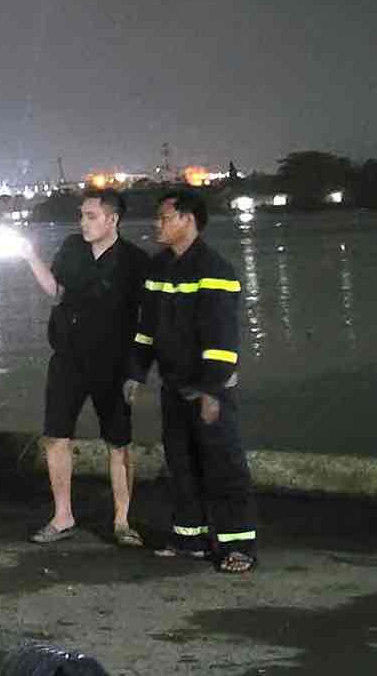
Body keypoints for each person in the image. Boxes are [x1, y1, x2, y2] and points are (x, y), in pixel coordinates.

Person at [130, 189, 258, 572]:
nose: (158, 224)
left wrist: (211, 391)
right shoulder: (158, 270)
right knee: (181, 463)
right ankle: (191, 538)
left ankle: (239, 545)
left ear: (188, 220)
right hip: (173, 386)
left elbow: (221, 341)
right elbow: (146, 330)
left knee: (222, 464)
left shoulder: (215, 270)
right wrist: (136, 373)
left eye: (164, 218)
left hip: (208, 388)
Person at [15, 187, 149, 546]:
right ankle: (63, 517)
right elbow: (56, 292)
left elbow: (146, 319)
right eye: (82, 216)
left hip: (114, 363)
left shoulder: (135, 261)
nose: (83, 222)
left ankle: (122, 521)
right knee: (56, 436)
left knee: (118, 442)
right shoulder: (72, 248)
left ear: (112, 219)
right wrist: (30, 257)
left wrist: (137, 372)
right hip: (68, 359)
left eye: (91, 216)